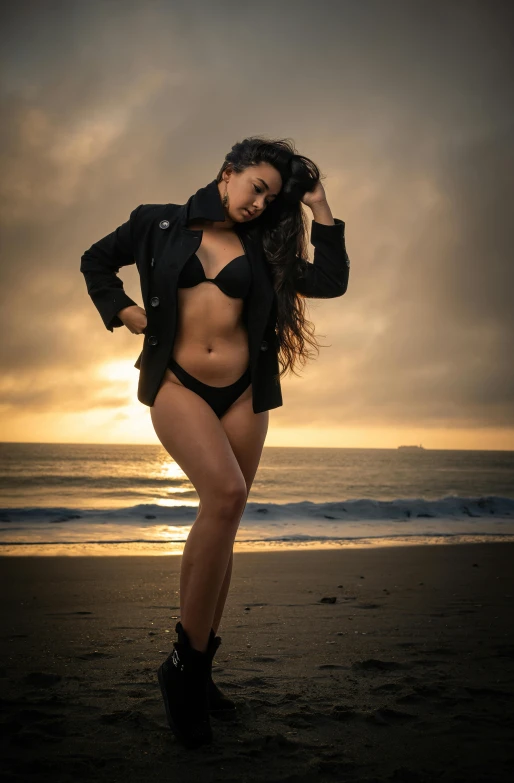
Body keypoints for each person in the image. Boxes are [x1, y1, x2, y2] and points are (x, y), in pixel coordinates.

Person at [80, 136, 350, 748]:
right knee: (225, 497)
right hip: (177, 384)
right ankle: (186, 671)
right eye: (256, 186)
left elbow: (331, 280)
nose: (259, 203)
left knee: (224, 520)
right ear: (228, 173)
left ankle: (195, 671)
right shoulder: (156, 223)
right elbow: (95, 260)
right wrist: (122, 310)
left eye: (271, 197)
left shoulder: (265, 246)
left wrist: (320, 207)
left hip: (245, 395)